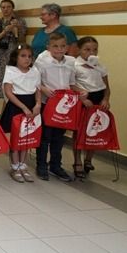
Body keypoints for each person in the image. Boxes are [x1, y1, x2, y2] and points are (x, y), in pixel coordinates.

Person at [34, 32, 76, 182]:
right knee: (45, 136)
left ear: (67, 47)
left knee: (59, 137)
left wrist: (79, 92)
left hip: (63, 106)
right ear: (48, 47)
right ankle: (41, 165)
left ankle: (56, 165)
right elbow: (35, 80)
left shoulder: (70, 62)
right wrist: (44, 89)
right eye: (55, 46)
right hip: (48, 104)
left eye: (63, 46)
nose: (59, 49)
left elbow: (71, 83)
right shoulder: (42, 61)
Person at [0, 44, 41, 183]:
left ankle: (23, 165)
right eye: (23, 56)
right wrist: (23, 107)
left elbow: (38, 90)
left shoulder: (34, 71)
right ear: (15, 58)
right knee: (16, 138)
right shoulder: (10, 71)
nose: (27, 59)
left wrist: (38, 104)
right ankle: (15, 166)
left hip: (31, 105)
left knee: (27, 137)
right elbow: (8, 92)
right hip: (17, 105)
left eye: (29, 56)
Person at [72, 36, 111, 178]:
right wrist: (82, 97)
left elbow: (107, 87)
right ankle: (77, 161)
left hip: (98, 100)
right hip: (84, 100)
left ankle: (89, 159)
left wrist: (106, 99)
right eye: (87, 50)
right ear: (79, 50)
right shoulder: (75, 66)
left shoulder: (100, 67)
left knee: (95, 130)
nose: (91, 53)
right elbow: (70, 84)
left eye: (94, 50)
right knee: (80, 132)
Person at [0, 0, 27, 115]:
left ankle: (3, 114)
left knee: (7, 83)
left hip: (10, 55)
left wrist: (17, 30)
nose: (5, 9)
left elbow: (22, 41)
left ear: (12, 8)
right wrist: (4, 32)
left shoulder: (20, 22)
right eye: (3, 7)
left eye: (8, 7)